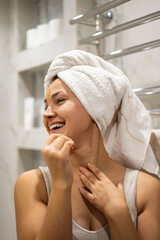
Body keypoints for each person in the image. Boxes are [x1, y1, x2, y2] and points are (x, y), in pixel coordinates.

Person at [14, 50, 160, 240]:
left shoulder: (146, 189)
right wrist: (60, 184)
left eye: (59, 101)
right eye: (46, 106)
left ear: (95, 106)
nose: (47, 114)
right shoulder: (33, 185)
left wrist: (118, 214)